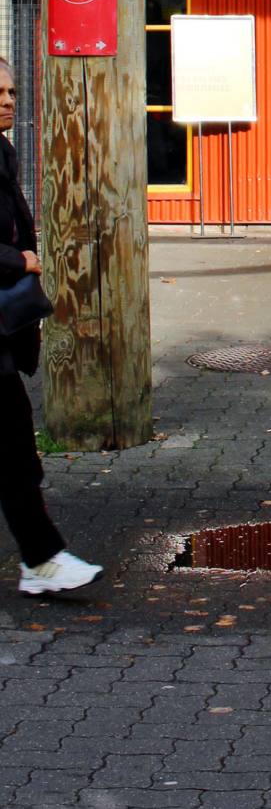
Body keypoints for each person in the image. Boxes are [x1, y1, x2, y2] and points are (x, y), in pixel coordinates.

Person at [0, 59, 103, 596]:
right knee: (14, 448)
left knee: (14, 447)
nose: (8, 100)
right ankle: (41, 560)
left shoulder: (4, 150)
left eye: (12, 90)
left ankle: (41, 559)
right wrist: (21, 262)